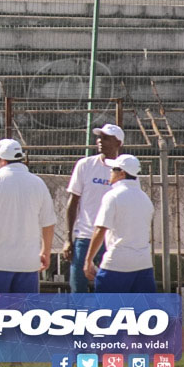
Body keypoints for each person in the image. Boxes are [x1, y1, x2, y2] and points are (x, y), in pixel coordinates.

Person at [0, 138, 57, 293]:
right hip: (28, 263)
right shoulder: (38, 183)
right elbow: (48, 223)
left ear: (1, 159)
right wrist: (45, 252)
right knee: (25, 316)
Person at [62, 123, 124, 293]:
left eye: (106, 138)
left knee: (108, 289)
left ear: (118, 143)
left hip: (111, 239)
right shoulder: (85, 165)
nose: (100, 141)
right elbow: (73, 202)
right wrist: (68, 238)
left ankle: (105, 319)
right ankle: (80, 319)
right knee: (77, 287)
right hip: (84, 238)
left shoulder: (125, 169)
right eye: (99, 137)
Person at [84, 154, 157, 293]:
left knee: (107, 313)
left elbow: (100, 230)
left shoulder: (113, 196)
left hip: (116, 264)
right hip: (143, 265)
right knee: (142, 313)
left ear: (122, 173)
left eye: (113, 169)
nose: (110, 172)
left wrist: (88, 260)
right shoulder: (144, 198)